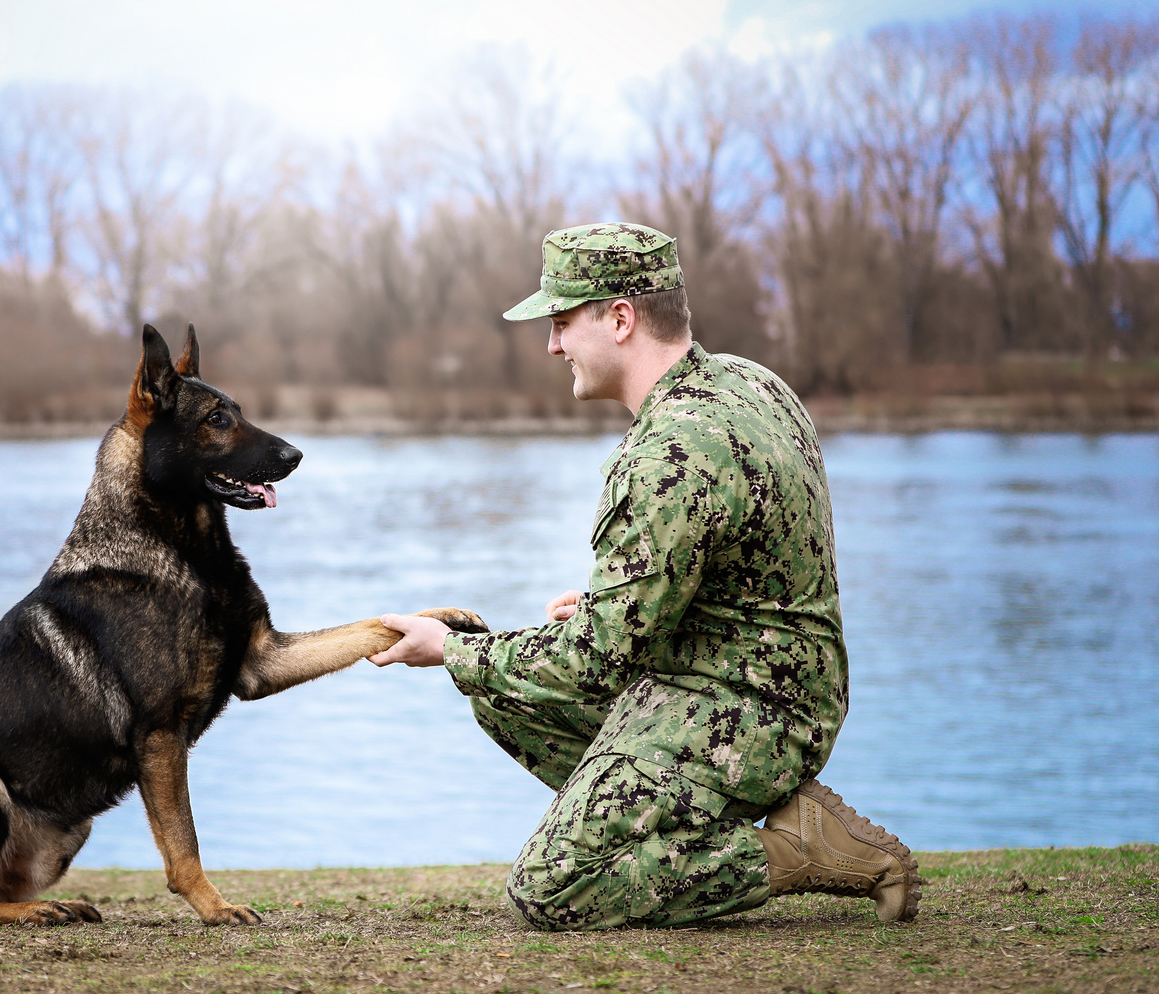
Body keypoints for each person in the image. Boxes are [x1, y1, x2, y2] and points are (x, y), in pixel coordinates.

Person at [371, 222, 920, 931]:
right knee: (507, 695)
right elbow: (745, 575)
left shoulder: (671, 450)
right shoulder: (752, 383)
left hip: (748, 709)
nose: (552, 345)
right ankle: (671, 819)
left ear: (620, 318)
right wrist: (615, 609)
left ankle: (793, 851)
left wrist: (447, 647)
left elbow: (594, 663)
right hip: (789, 685)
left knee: (551, 889)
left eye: (563, 322)